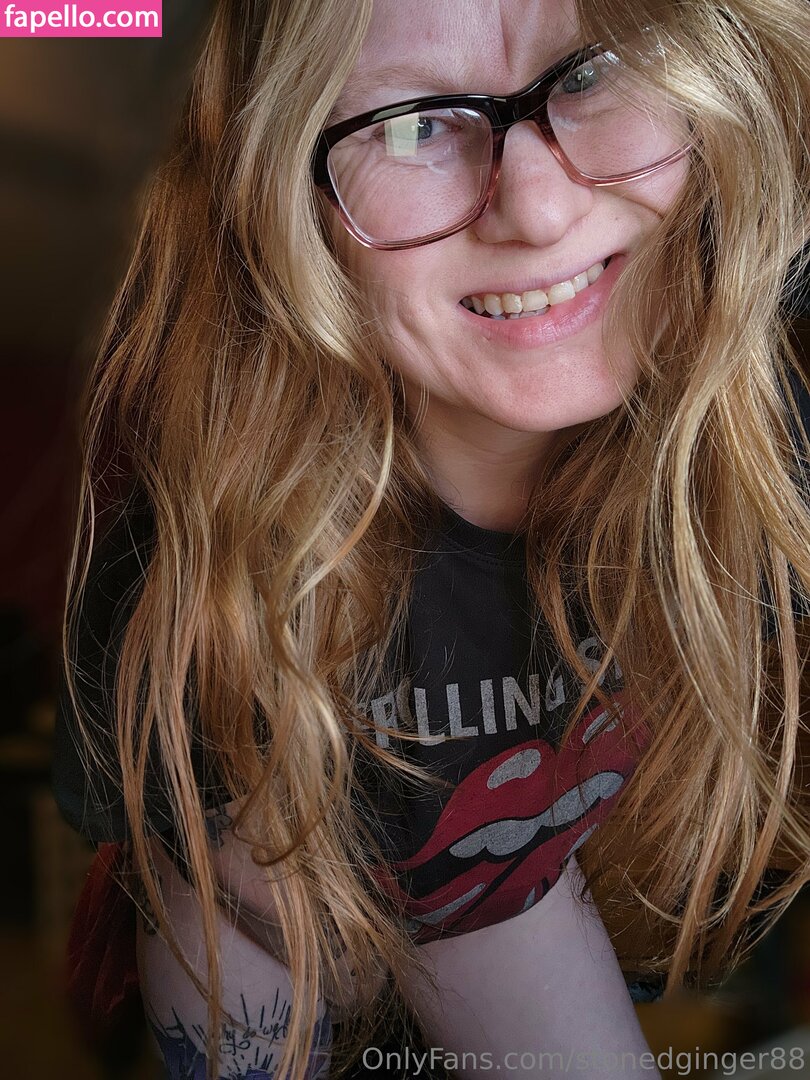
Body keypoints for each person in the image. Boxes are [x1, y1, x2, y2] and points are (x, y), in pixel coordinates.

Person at [52, 0, 810, 1076]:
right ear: (287, 204)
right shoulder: (189, 593)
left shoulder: (761, 447)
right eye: (413, 124)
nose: (538, 209)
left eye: (591, 74)